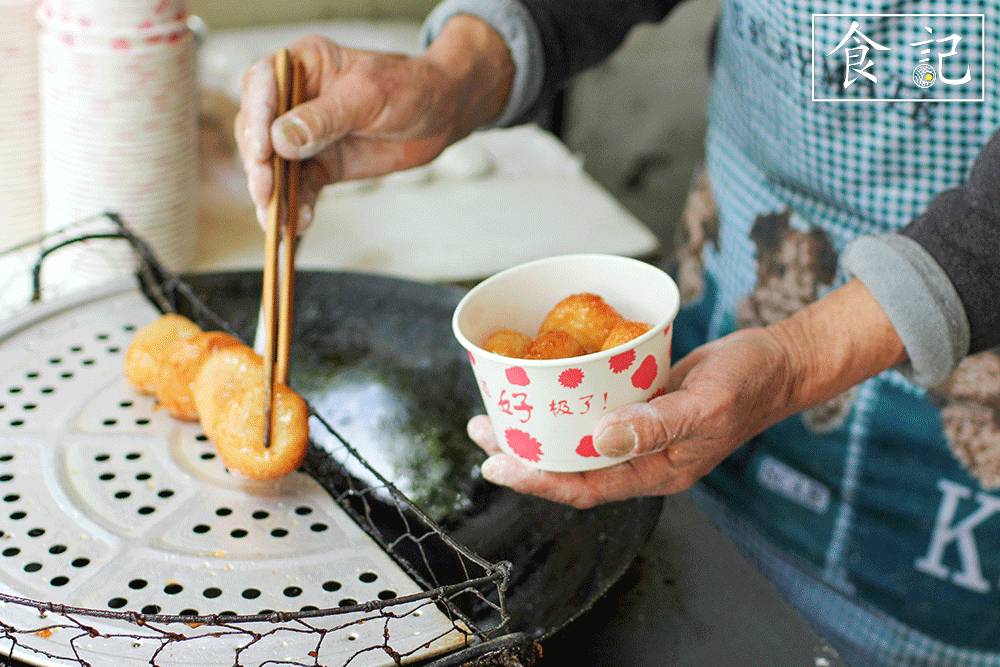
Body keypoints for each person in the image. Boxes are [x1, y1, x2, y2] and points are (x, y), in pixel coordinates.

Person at [236, 2, 1000, 664]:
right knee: (701, 598)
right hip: (740, 282)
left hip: (960, 412)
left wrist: (800, 358)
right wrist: (455, 72)